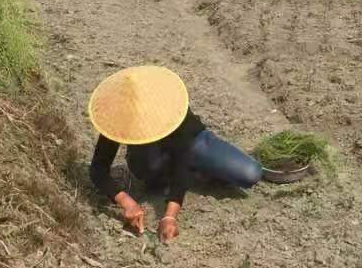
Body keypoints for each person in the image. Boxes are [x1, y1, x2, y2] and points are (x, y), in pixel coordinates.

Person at [88, 66, 262, 242]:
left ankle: (204, 166)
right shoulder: (119, 115)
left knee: (250, 173)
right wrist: (127, 203)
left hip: (193, 144)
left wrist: (170, 216)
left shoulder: (172, 109)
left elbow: (183, 158)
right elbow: (98, 169)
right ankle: (197, 171)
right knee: (146, 169)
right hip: (154, 159)